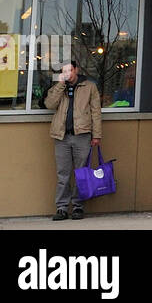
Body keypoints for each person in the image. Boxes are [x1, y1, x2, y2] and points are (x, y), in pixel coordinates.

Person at [44, 60, 102, 221]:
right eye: (64, 71)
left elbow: (96, 112)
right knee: (63, 174)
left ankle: (78, 207)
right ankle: (61, 208)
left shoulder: (89, 86)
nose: (67, 73)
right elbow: (49, 104)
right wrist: (61, 84)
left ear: (76, 69)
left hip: (82, 136)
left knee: (80, 174)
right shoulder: (59, 86)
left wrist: (96, 135)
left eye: (70, 70)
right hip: (61, 136)